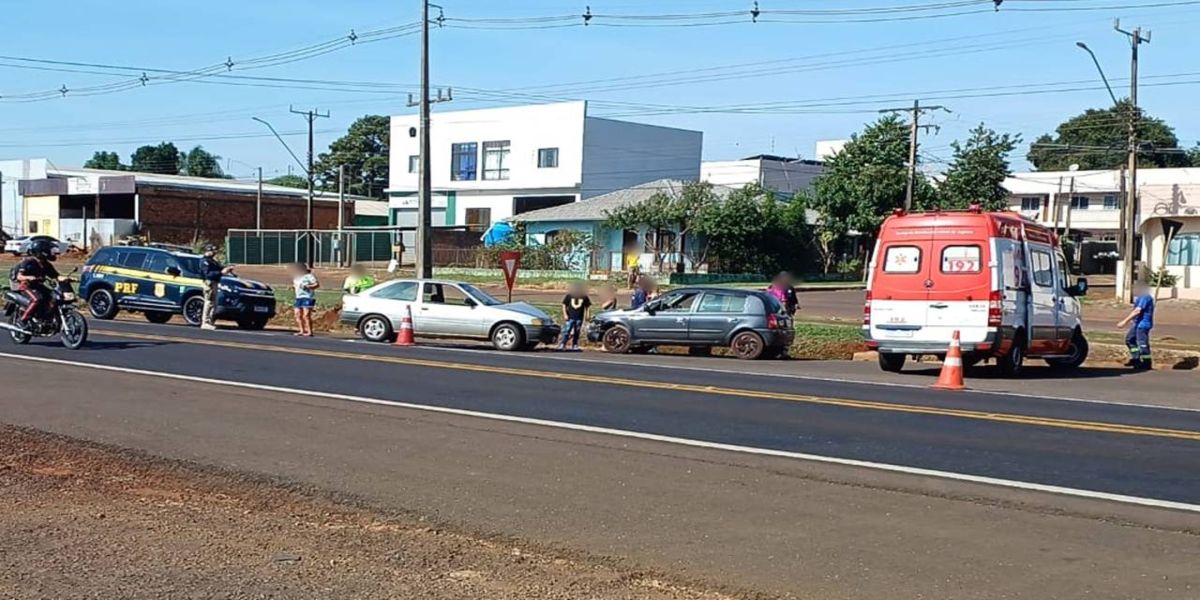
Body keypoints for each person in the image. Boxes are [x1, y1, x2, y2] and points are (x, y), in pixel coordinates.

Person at [13, 239, 61, 323]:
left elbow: (56, 276)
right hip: (26, 286)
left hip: (38, 286)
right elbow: (19, 276)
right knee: (37, 299)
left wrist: (68, 278)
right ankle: (24, 319)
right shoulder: (28, 262)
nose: (52, 253)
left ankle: (44, 316)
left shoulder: (46, 264)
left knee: (54, 296)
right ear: (42, 251)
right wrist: (30, 277)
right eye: (49, 250)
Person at [1117, 282, 1155, 370]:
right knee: (1129, 340)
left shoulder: (1145, 297)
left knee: (1143, 344)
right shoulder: (1140, 297)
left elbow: (1137, 311)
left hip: (1143, 325)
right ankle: (1136, 359)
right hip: (1137, 324)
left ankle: (1147, 363)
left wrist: (1124, 321)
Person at [197, 244, 234, 330]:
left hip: (215, 282)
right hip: (209, 283)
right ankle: (205, 322)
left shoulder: (212, 261)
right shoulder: (204, 261)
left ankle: (210, 321)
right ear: (208, 251)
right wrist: (221, 272)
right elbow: (208, 274)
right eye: (213, 251)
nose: (214, 253)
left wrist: (227, 268)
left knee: (214, 303)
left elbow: (219, 268)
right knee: (209, 302)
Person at [558, 282, 592, 352]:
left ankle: (575, 345)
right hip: (570, 317)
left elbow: (588, 306)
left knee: (577, 331)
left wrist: (588, 315)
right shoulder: (569, 296)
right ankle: (562, 344)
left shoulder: (584, 297)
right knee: (567, 331)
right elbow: (564, 305)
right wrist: (565, 314)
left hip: (579, 317)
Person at [290, 263, 320, 337]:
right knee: (297, 314)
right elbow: (296, 285)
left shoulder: (309, 276)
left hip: (308, 297)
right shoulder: (296, 278)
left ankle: (310, 331)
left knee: (306, 315)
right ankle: (301, 330)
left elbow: (316, 285)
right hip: (298, 297)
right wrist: (292, 287)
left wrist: (308, 286)